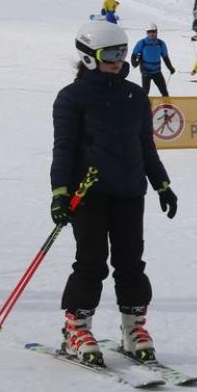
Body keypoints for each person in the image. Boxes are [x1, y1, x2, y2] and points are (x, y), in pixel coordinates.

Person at [51, 20, 178, 367]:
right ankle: (76, 327)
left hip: (129, 189)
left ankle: (133, 328)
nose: (118, 60)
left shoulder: (135, 95)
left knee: (131, 261)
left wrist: (162, 183)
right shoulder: (71, 97)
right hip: (88, 192)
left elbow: (146, 146)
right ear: (89, 56)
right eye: (110, 53)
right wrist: (59, 193)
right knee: (91, 261)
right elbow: (63, 149)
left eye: (122, 53)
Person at [130, 25, 175, 97]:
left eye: (153, 31)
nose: (151, 34)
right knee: (145, 93)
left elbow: (165, 57)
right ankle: (144, 108)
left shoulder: (160, 43)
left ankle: (167, 107)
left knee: (164, 92)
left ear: (156, 32)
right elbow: (134, 54)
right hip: (145, 71)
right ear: (147, 33)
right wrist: (134, 62)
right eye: (149, 32)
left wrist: (170, 67)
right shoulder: (142, 43)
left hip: (157, 72)